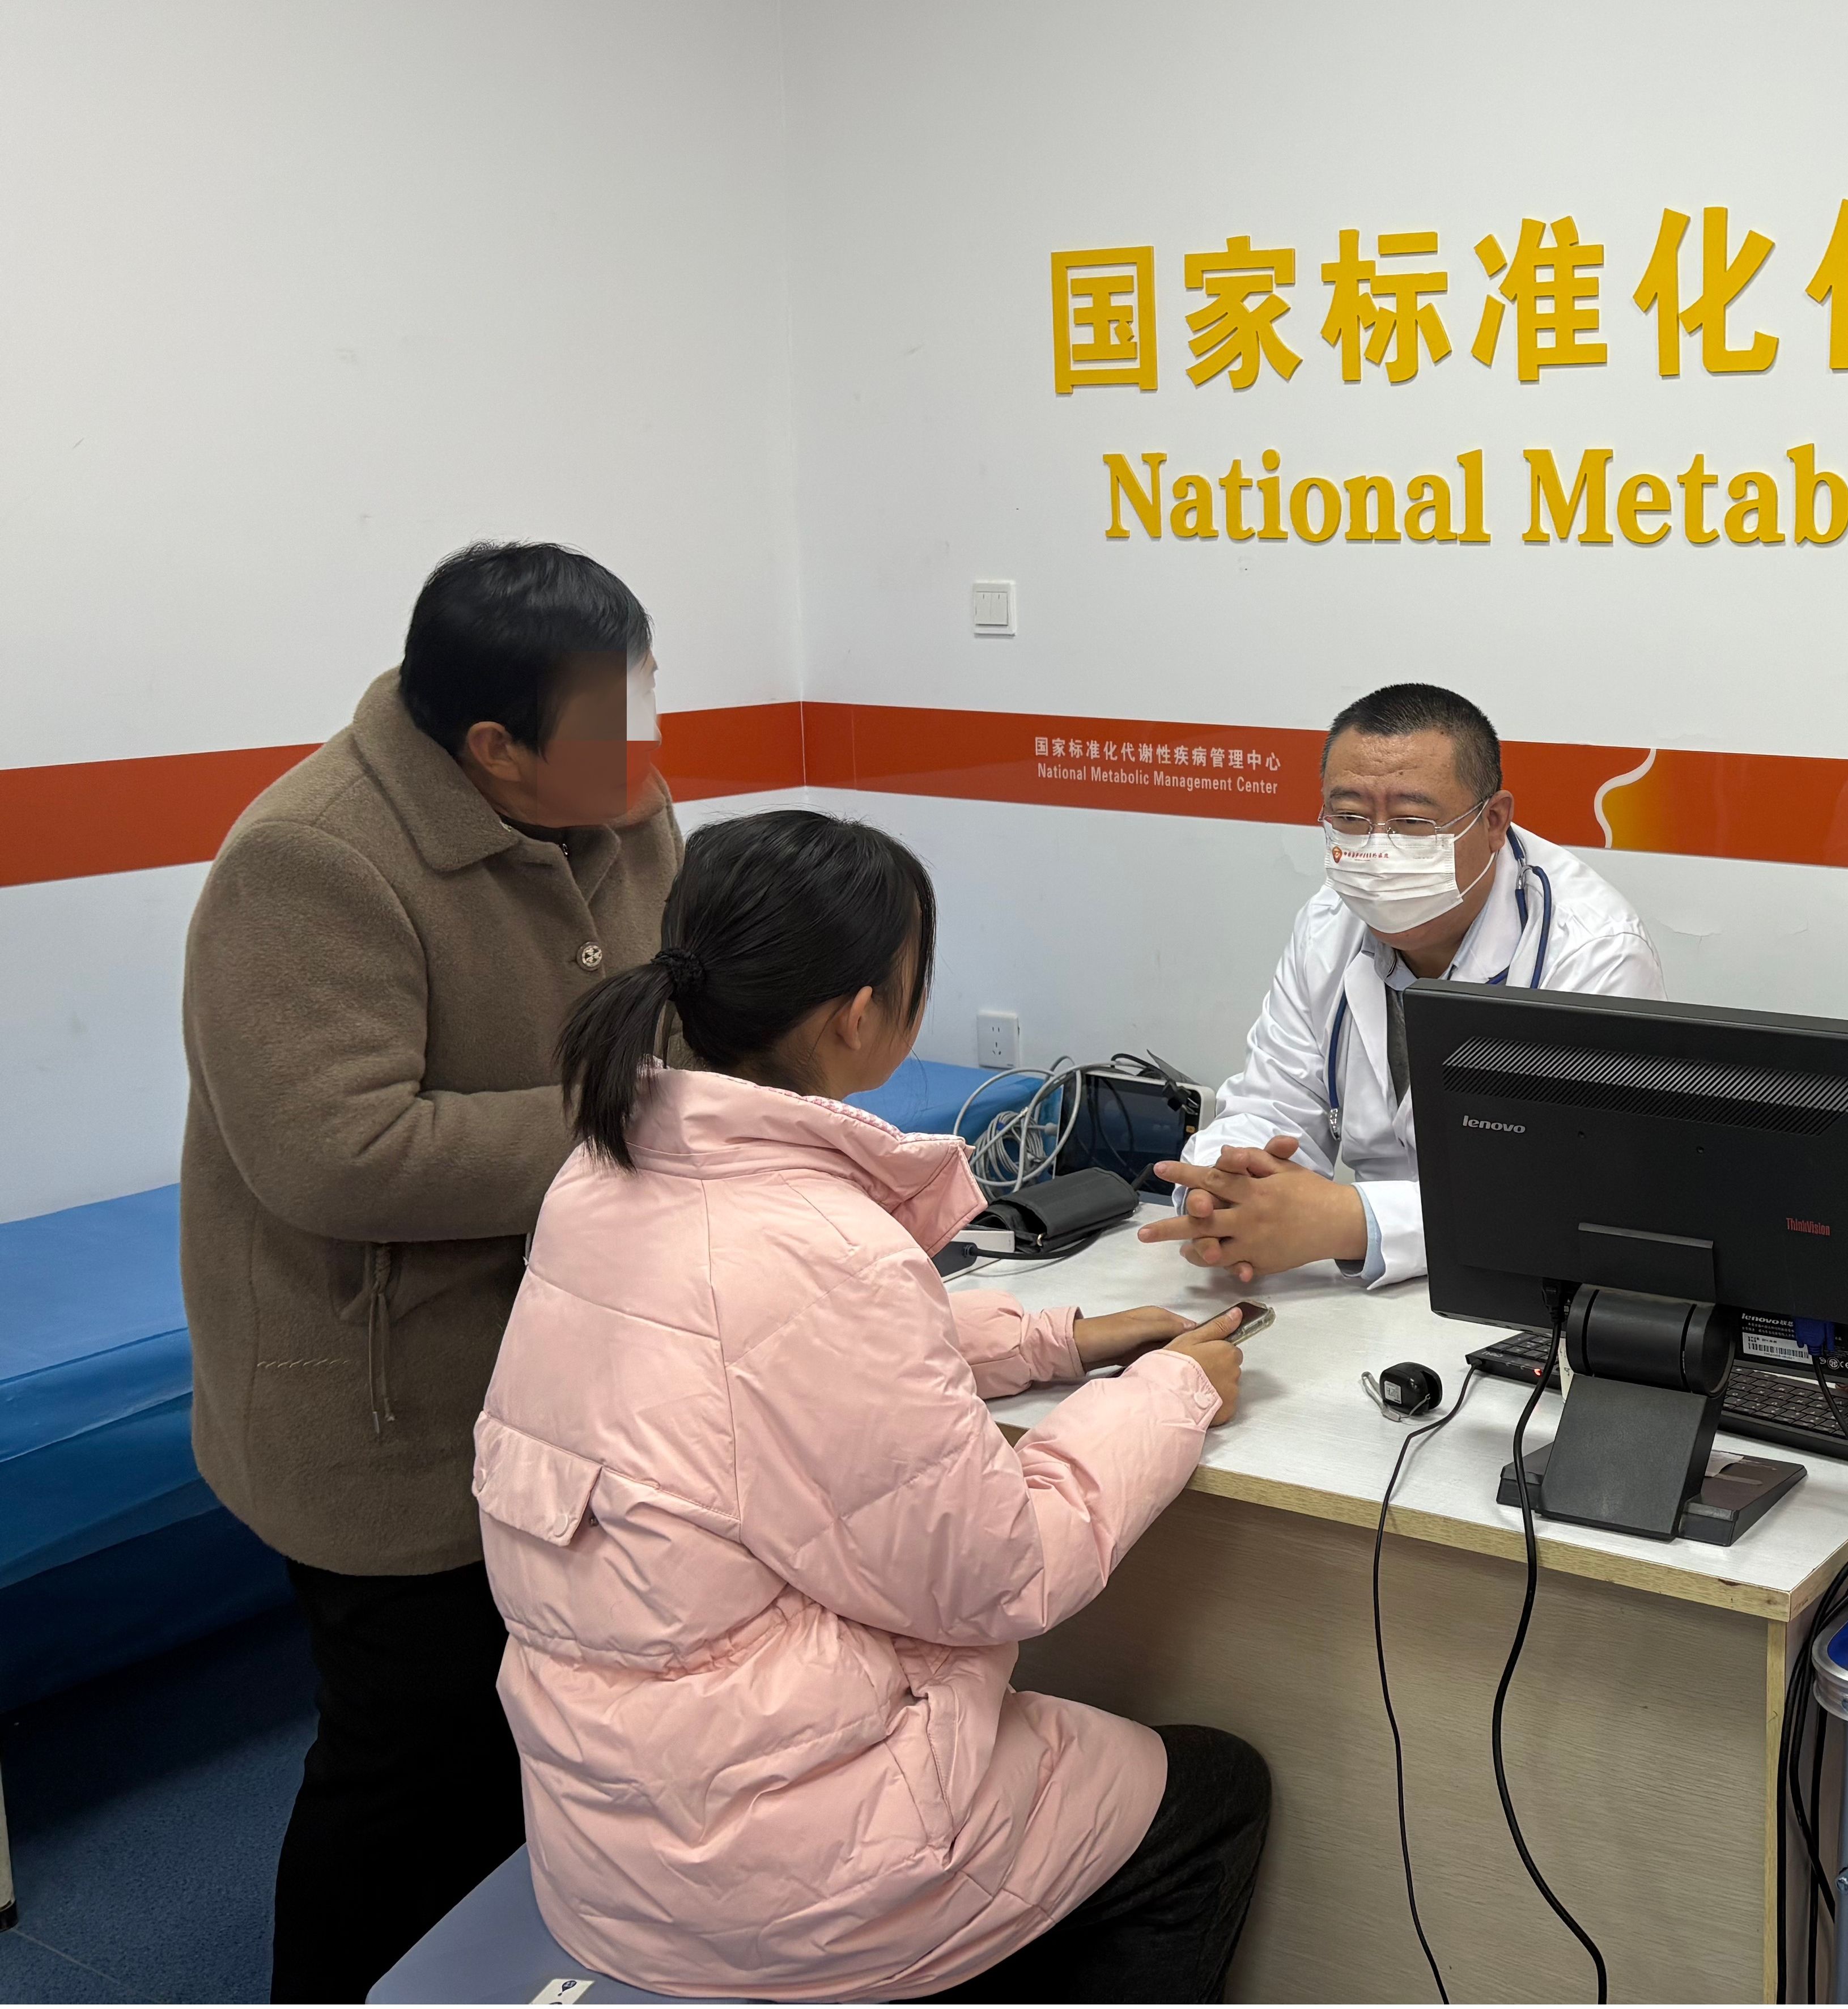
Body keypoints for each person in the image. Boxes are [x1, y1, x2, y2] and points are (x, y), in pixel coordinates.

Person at [477, 808, 1265, 2002]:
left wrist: (1052, 1338)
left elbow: (756, 1364)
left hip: (608, 1848)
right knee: (1214, 1789)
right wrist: (1171, 1391)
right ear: (859, 1015)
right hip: (781, 1887)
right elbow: (1004, 1570)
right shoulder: (824, 1250)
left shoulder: (604, 1168)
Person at [180, 542, 682, 2001]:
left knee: (546, 1731)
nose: (645, 749)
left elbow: (684, 1003)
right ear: (492, 746)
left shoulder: (624, 804)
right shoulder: (310, 860)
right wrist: (639, 1116)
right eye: (609, 723)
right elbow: (338, 1152)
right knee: (414, 1756)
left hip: (573, 1363)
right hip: (385, 1403)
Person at [1145, 682, 1661, 1284]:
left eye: (1412, 821)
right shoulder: (1329, 921)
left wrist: (1352, 1222)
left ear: (1493, 821)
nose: (1376, 849)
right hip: (1367, 1295)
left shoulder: (1594, 952)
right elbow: (1270, 1103)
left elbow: (1575, 1190)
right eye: (1349, 817)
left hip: (1531, 1291)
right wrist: (1221, 1192)